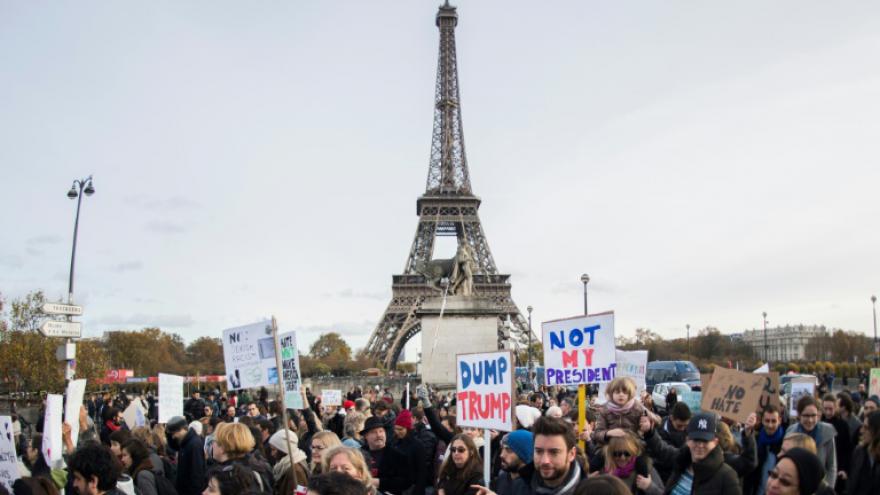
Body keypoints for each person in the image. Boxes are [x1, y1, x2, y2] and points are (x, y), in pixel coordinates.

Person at [640, 411, 741, 494]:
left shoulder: (727, 476)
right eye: (696, 439)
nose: (700, 445)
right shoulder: (682, 460)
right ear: (688, 440)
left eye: (705, 441)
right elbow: (662, 450)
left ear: (715, 442)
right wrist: (649, 432)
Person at [785, 396, 836, 488]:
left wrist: (827, 489)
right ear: (799, 415)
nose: (810, 420)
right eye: (806, 415)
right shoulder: (790, 432)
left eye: (813, 415)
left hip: (819, 487)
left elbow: (831, 466)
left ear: (818, 415)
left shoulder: (827, 433)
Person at [211, 422, 274, 494]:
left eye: (214, 441)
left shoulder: (231, 476)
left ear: (223, 446)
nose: (212, 445)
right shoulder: (259, 465)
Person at [531, 416, 587, 495]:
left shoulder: (589, 491)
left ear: (571, 454)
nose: (545, 461)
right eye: (539, 451)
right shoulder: (519, 487)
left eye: (554, 452)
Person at [360, 416, 413, 495]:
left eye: (381, 431)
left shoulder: (397, 455)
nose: (378, 435)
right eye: (373, 432)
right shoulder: (359, 455)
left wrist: (379, 482)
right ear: (366, 436)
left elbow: (406, 481)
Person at [598, 432, 663, 495]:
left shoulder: (646, 468)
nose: (622, 458)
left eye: (627, 453)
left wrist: (649, 487)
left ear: (633, 452)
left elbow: (663, 493)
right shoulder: (603, 471)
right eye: (617, 454)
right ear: (611, 453)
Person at [745, 405, 786, 495]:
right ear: (762, 420)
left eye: (773, 421)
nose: (770, 425)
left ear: (779, 420)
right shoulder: (755, 440)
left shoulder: (785, 443)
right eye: (767, 421)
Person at [592, 377, 645, 445]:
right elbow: (597, 434)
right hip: (610, 447)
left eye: (625, 392)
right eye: (617, 392)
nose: (621, 395)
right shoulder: (605, 410)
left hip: (633, 446)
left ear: (630, 394)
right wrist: (608, 433)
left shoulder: (638, 409)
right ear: (611, 394)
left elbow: (644, 433)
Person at [166, 416, 206, 495]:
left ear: (182, 429)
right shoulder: (185, 442)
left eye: (174, 433)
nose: (173, 437)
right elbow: (173, 445)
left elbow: (196, 473)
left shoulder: (194, 444)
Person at [391, 410, 427, 495]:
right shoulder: (394, 442)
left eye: (400, 429)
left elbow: (422, 472)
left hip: (412, 489)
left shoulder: (418, 445)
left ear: (407, 429)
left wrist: (418, 491)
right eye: (395, 429)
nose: (397, 432)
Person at [846, 410, 880, 495]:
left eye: (866, 427)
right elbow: (852, 484)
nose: (861, 431)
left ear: (877, 431)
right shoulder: (859, 452)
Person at [268, 429, 310, 495]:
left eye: (274, 450)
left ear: (283, 449)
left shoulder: (296, 471)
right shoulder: (285, 465)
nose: (272, 454)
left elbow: (301, 493)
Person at [494, 430, 534, 495]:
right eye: (502, 448)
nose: (501, 455)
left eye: (508, 450)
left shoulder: (534, 485)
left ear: (523, 454)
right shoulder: (502, 478)